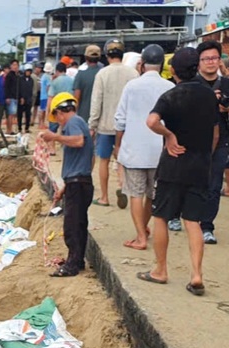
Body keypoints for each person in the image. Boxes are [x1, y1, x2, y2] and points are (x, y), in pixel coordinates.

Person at [138, 47, 221, 295]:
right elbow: (215, 133)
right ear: (196, 67)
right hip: (200, 166)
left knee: (162, 216)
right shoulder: (209, 96)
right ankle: (196, 275)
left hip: (173, 165)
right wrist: (206, 153)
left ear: (172, 70)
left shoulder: (171, 95)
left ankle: (160, 270)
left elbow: (152, 122)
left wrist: (169, 135)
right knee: (193, 221)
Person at [114, 44, 173, 250]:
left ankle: (140, 236)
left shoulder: (132, 86)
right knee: (151, 194)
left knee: (135, 194)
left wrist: (118, 144)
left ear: (141, 64)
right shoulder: (169, 87)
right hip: (159, 151)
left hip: (134, 149)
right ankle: (144, 228)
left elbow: (120, 119)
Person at [39, 92, 95, 277]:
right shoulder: (79, 123)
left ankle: (72, 264)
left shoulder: (73, 123)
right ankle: (77, 261)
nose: (59, 121)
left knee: (72, 226)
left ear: (60, 112)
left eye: (57, 117)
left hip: (78, 184)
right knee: (78, 223)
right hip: (78, 182)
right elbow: (89, 157)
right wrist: (64, 187)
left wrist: (54, 137)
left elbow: (78, 141)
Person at [195, 40, 229, 245]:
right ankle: (187, 217)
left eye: (214, 58)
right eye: (206, 59)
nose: (210, 62)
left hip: (222, 140)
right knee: (193, 183)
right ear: (198, 62)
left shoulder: (228, 84)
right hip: (195, 141)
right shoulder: (192, 83)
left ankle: (207, 226)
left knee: (214, 185)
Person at [89, 38, 138, 208]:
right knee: (123, 160)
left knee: (103, 160)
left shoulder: (102, 74)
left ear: (106, 54)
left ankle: (104, 197)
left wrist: (92, 125)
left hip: (105, 125)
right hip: (127, 127)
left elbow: (97, 102)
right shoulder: (132, 74)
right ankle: (123, 187)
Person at [73, 45, 104, 120]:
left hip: (84, 117)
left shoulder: (80, 74)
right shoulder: (105, 73)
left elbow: (76, 97)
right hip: (102, 117)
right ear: (99, 57)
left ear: (86, 58)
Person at [4, 60, 21, 134]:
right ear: (11, 66)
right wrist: (7, 97)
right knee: (10, 114)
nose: (15, 66)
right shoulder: (9, 75)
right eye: (14, 65)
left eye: (16, 65)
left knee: (13, 114)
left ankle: (11, 129)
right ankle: (9, 130)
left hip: (16, 97)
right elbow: (6, 87)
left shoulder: (17, 76)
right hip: (10, 97)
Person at [18, 64, 35, 133]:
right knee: (20, 114)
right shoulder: (20, 79)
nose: (28, 72)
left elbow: (31, 90)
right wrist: (21, 97)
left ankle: (27, 128)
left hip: (28, 99)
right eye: (27, 71)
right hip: (21, 99)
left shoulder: (31, 80)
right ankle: (19, 128)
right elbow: (19, 89)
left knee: (28, 114)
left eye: (29, 71)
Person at [37, 62, 54, 128]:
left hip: (42, 95)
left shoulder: (43, 76)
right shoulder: (47, 77)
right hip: (46, 96)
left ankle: (41, 123)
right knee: (43, 110)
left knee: (42, 110)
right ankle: (41, 123)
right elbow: (48, 87)